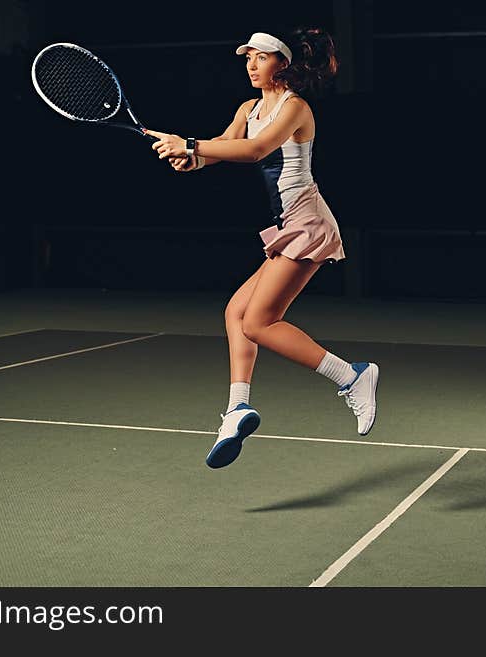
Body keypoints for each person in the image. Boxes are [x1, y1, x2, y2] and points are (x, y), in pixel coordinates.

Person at [145, 28, 378, 469]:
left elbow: (254, 150)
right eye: (247, 57)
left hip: (307, 223)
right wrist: (189, 157)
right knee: (235, 314)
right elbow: (225, 147)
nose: (250, 64)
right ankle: (237, 408)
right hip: (285, 226)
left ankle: (353, 376)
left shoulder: (295, 107)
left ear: (283, 64)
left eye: (260, 57)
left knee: (258, 322)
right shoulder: (248, 107)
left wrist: (192, 145)